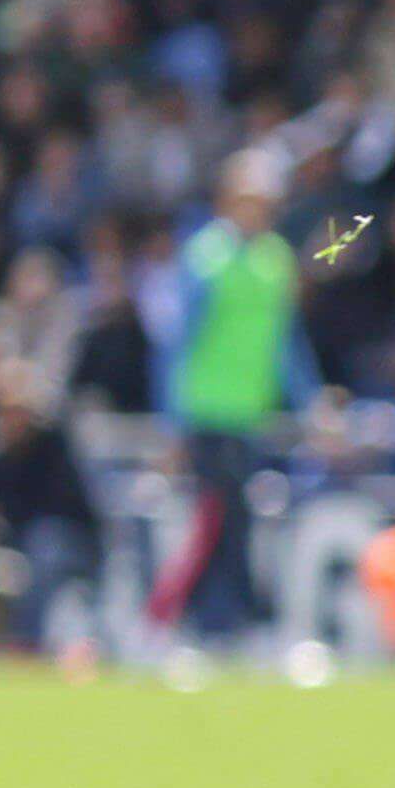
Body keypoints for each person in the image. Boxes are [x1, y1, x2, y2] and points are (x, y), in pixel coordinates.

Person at [153, 151, 304, 656]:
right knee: (216, 519)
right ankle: (204, 626)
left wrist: (312, 400)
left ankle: (229, 627)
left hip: (249, 415)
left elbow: (286, 342)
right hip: (204, 414)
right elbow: (177, 344)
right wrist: (172, 424)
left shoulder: (276, 260)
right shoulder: (204, 258)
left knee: (238, 519)